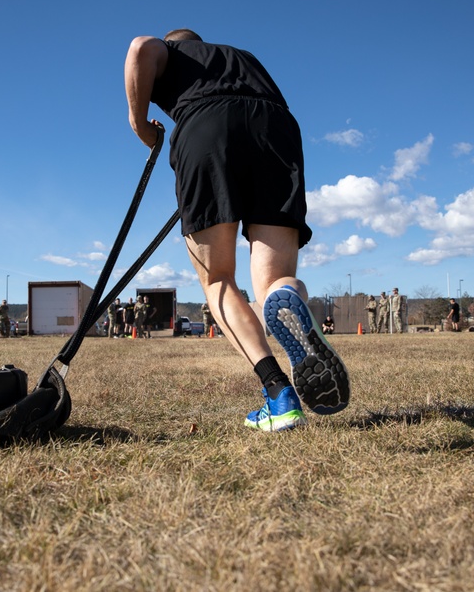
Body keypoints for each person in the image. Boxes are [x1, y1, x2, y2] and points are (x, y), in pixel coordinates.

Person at [124, 28, 349, 431]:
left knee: (219, 281)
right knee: (273, 283)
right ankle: (287, 296)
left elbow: (141, 47)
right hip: (275, 128)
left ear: (176, 43)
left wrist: (140, 124)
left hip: (207, 126)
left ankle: (279, 397)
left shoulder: (171, 51)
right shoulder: (240, 56)